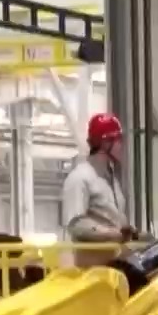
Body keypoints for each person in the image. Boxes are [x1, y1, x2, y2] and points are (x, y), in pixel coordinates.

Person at [62, 112, 135, 269]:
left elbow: (113, 217)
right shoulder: (80, 178)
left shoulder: (111, 178)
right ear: (105, 143)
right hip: (91, 269)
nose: (121, 146)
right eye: (118, 140)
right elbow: (76, 225)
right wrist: (112, 234)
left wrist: (130, 233)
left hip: (114, 265)